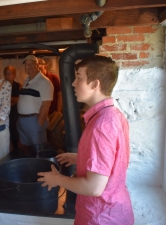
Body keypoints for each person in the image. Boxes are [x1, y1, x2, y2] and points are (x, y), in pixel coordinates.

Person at [37, 55, 134, 225]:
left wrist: (56, 179)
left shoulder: (101, 125)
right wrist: (79, 157)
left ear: (95, 84)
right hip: (112, 209)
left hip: (100, 216)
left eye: (79, 78)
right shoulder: (113, 114)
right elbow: (114, 161)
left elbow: (93, 188)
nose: (73, 83)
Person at [17, 55, 53, 147]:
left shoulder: (44, 81)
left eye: (32, 64)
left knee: (39, 149)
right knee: (28, 150)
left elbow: (46, 104)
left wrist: (39, 123)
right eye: (27, 64)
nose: (29, 66)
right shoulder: (27, 80)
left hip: (34, 120)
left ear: (38, 65)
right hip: (23, 120)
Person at [4, 66, 22, 151]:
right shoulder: (1, 86)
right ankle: (10, 155)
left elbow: (18, 100)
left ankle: (20, 154)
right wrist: (13, 99)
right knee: (8, 136)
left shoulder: (19, 86)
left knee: (18, 134)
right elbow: (1, 102)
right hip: (5, 114)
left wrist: (8, 98)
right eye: (6, 73)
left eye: (10, 73)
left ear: (14, 75)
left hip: (15, 113)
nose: (8, 75)